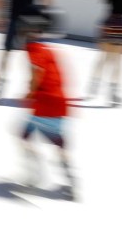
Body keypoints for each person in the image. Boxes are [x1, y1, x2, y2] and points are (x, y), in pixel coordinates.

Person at [13, 11, 75, 200]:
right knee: (59, 143)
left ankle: (34, 175)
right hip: (59, 101)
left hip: (44, 103)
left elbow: (37, 71)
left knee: (24, 136)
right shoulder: (48, 49)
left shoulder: (33, 49)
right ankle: (71, 180)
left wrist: (29, 93)